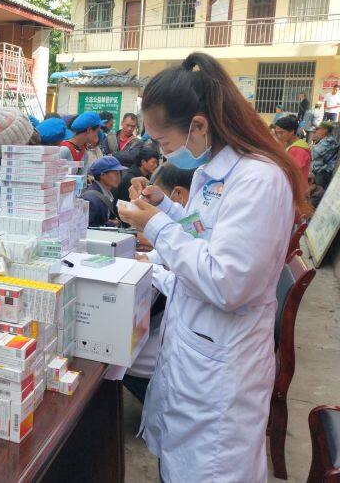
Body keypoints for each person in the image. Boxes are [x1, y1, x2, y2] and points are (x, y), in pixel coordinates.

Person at [118, 52, 306, 482]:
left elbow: (227, 281)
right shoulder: (212, 171)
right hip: (195, 345)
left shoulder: (258, 180)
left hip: (223, 365)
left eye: (166, 144)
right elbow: (203, 232)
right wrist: (164, 206)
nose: (163, 153)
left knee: (212, 470)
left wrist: (156, 225)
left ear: (199, 126)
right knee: (179, 464)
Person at [123, 163, 195, 404]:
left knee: (121, 356)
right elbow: (190, 232)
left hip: (195, 340)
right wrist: (150, 259)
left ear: (179, 194)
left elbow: (201, 274)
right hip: (188, 325)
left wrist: (151, 267)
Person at [82, 156, 126, 227]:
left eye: (119, 173)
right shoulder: (91, 199)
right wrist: (111, 224)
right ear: (102, 175)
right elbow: (86, 226)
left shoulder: (109, 192)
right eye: (115, 173)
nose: (119, 177)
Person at [274, 115, 311, 180]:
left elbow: (293, 172)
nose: (279, 136)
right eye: (277, 133)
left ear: (292, 131)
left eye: (281, 133)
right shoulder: (287, 144)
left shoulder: (298, 149)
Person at [310, 121, 339, 189]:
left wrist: (314, 141)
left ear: (325, 130)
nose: (316, 131)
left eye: (318, 129)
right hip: (319, 170)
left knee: (317, 190)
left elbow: (314, 154)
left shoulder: (330, 141)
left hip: (323, 172)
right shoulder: (326, 139)